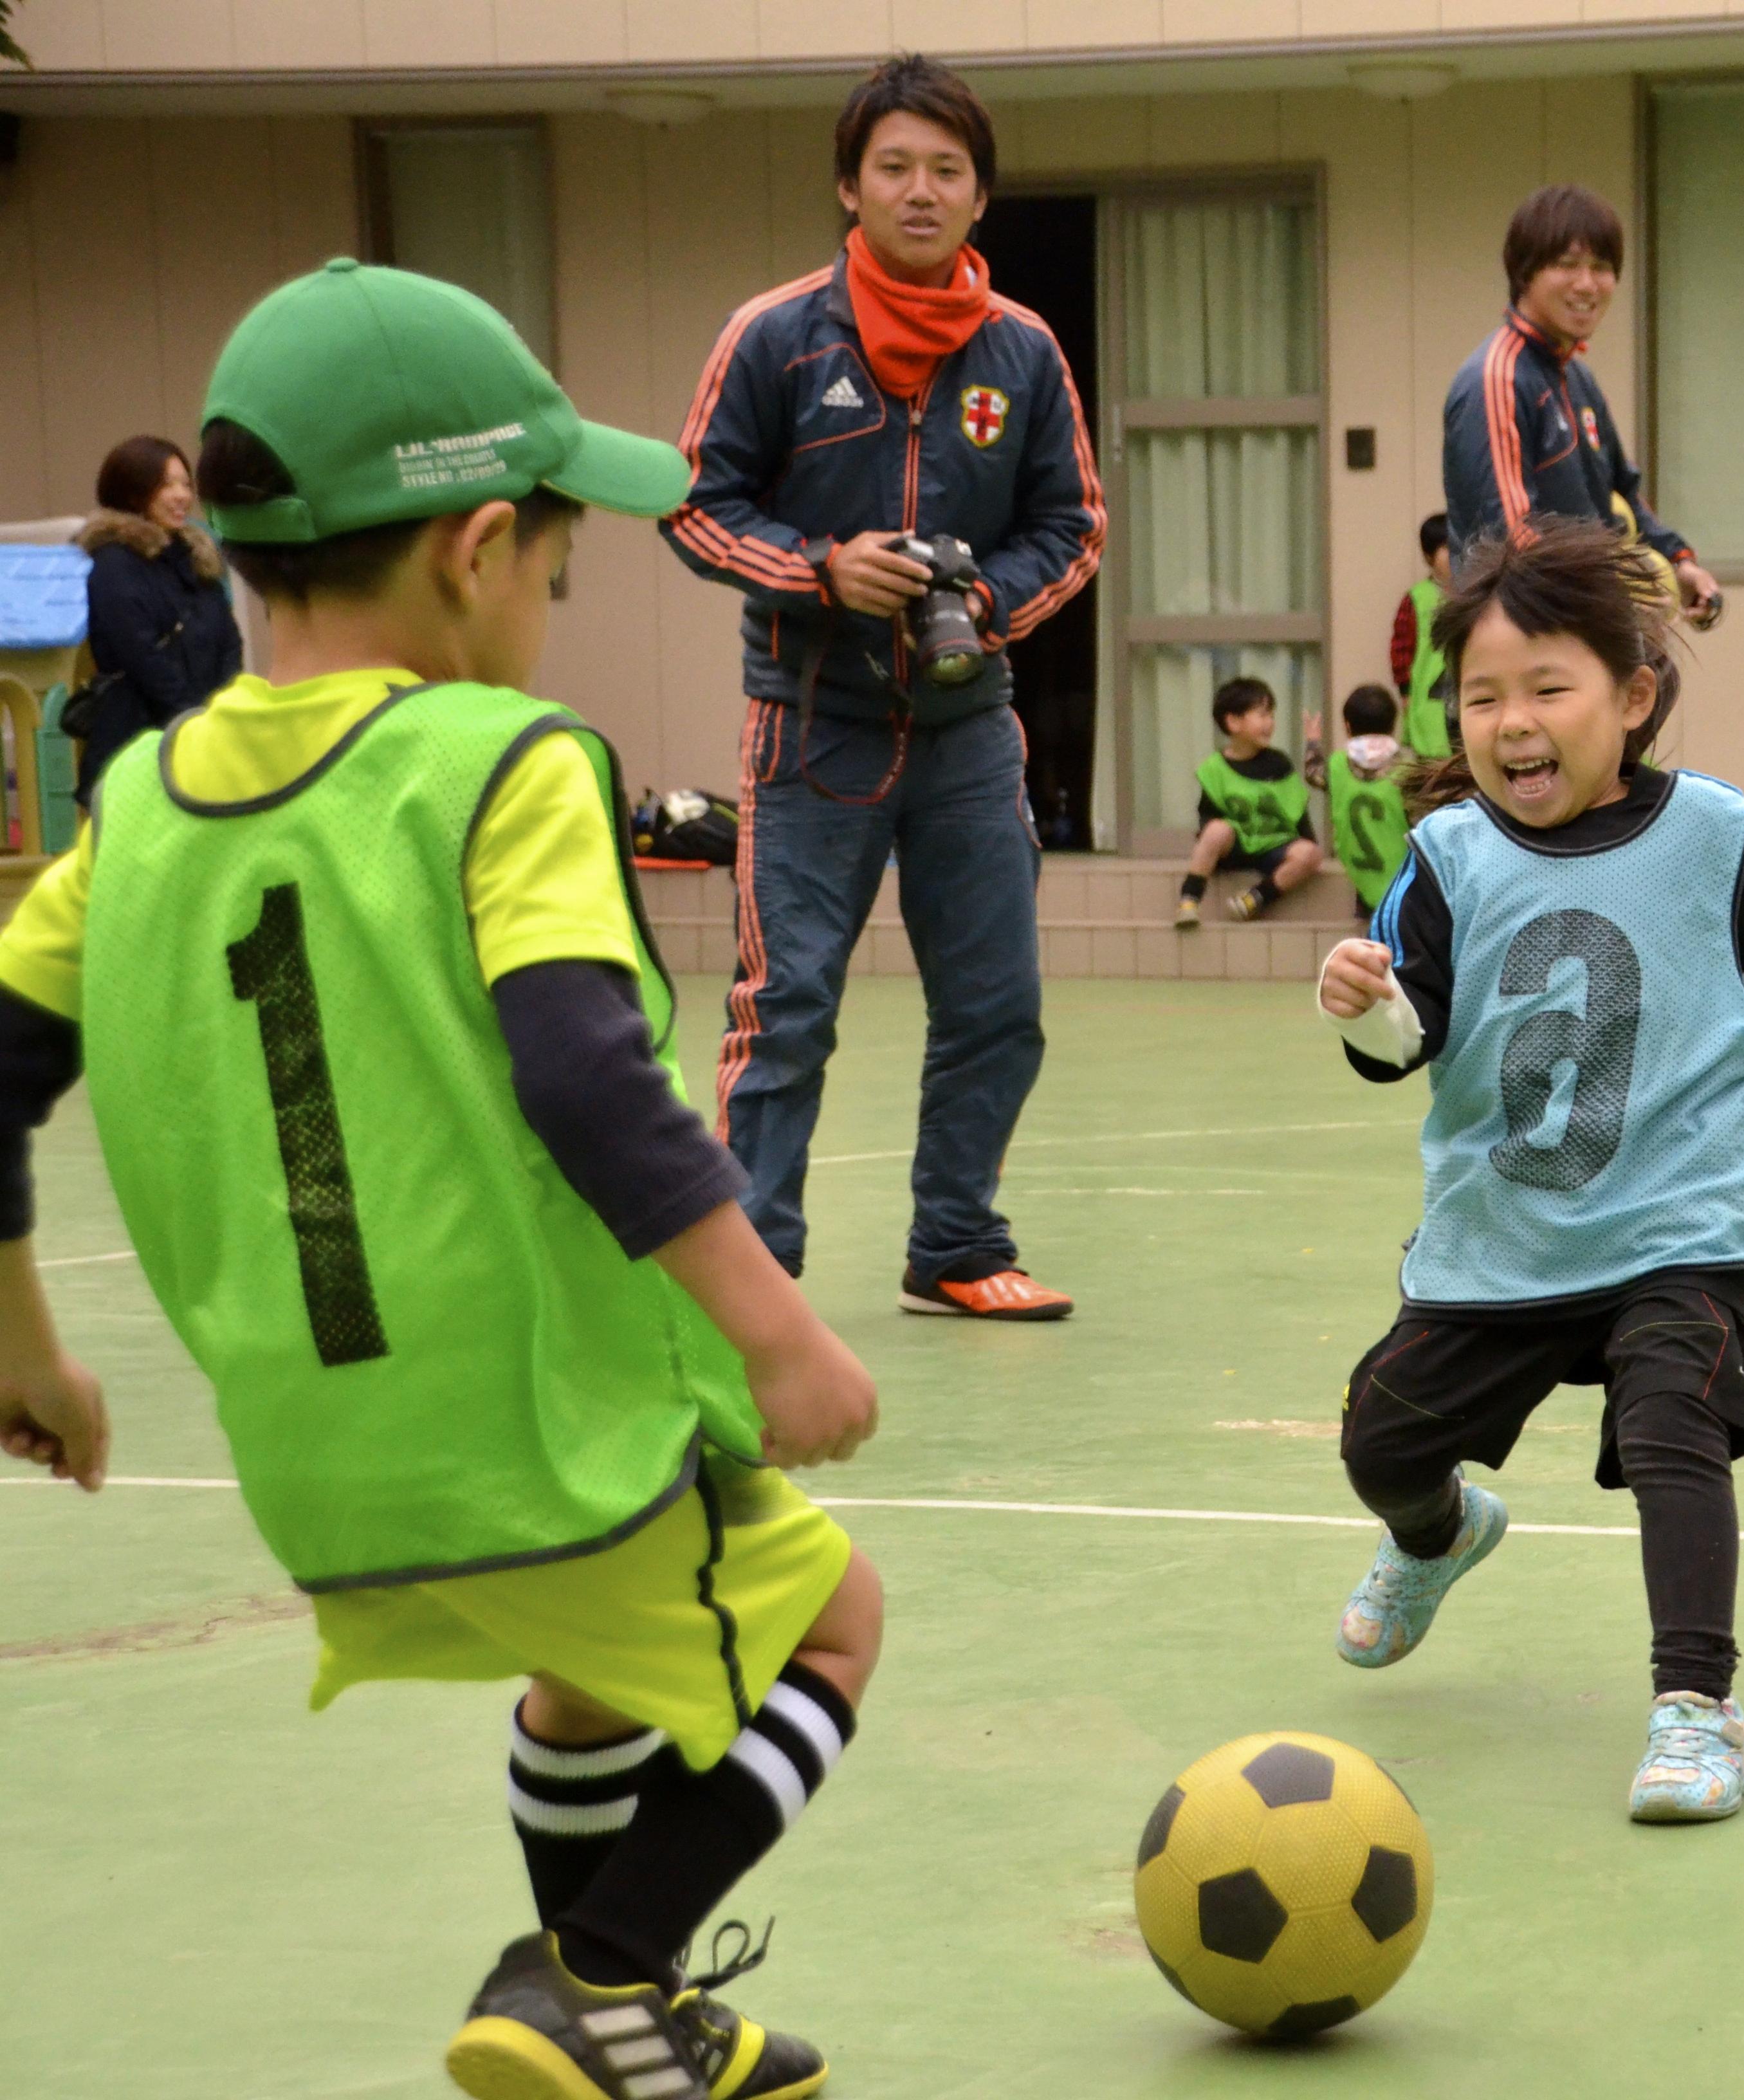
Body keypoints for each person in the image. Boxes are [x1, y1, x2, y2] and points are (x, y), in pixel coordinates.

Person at [0, 260, 881, 2100]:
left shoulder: (141, 803)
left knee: (589, 1685)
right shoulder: (500, 765)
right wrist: (781, 1331)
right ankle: (596, 1967)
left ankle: (620, 2031)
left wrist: (27, 1349)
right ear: (481, 549)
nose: (552, 605)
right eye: (560, 567)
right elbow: (585, 1068)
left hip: (319, 1460)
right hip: (545, 1419)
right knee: (832, 1622)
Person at [1313, 520, 1744, 1821]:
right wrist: (1362, 1001)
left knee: (1670, 1427)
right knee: (1378, 1441)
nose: (1511, 722)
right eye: (1482, 697)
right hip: (1502, 1241)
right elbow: (1398, 1045)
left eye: (1546, 689)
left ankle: (1696, 1709)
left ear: (1633, 699)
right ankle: (1438, 1533)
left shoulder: (1707, 833)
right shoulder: (1446, 859)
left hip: (1674, 1225)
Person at [667, 53, 1103, 1323]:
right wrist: (821, 571)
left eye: (947, 171)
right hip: (811, 733)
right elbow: (696, 504)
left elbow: (1072, 524)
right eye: (895, 167)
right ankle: (757, 1275)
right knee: (785, 1006)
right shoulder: (776, 334)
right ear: (849, 186)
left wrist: (987, 604)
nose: (921, 191)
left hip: (970, 734)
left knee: (998, 1008)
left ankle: (957, 1245)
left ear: (980, 198)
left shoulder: (1021, 351)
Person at [1442, 185, 1722, 629]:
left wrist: (1678, 562)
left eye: (1602, 267)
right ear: (1524, 272)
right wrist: (1619, 589)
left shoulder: (1576, 377)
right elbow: (1509, 540)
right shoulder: (1496, 378)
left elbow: (1620, 494)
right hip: (1519, 646)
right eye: (1567, 265)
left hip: (1580, 634)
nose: (1587, 284)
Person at [71, 434, 241, 804]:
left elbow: (229, 639)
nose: (182, 495)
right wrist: (192, 719)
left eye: (186, 484)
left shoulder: (196, 559)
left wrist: (222, 711)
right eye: (167, 485)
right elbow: (141, 654)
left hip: (205, 742)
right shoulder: (115, 563)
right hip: (137, 745)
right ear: (133, 492)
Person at [1175, 676, 1326, 926]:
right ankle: (1189, 900)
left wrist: (1308, 844)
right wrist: (1211, 847)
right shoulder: (1215, 768)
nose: (1270, 723)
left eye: (1272, 716)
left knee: (1310, 853)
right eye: (1262, 715)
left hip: (1272, 846)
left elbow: (1297, 808)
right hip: (1235, 847)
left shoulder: (1278, 763)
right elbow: (1207, 818)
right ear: (1233, 722)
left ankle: (1255, 899)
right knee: (1215, 830)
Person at [1314, 682, 1411, 916]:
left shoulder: (1337, 766)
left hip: (1361, 876)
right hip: (1403, 883)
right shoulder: (1409, 770)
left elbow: (1312, 772)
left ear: (1348, 726)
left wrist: (1312, 742)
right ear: (1393, 725)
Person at [1390, 513, 1455, 759]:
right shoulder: (1417, 599)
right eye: (1448, 549)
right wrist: (1405, 692)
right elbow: (1401, 650)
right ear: (1429, 556)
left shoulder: (1477, 594)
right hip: (1429, 702)